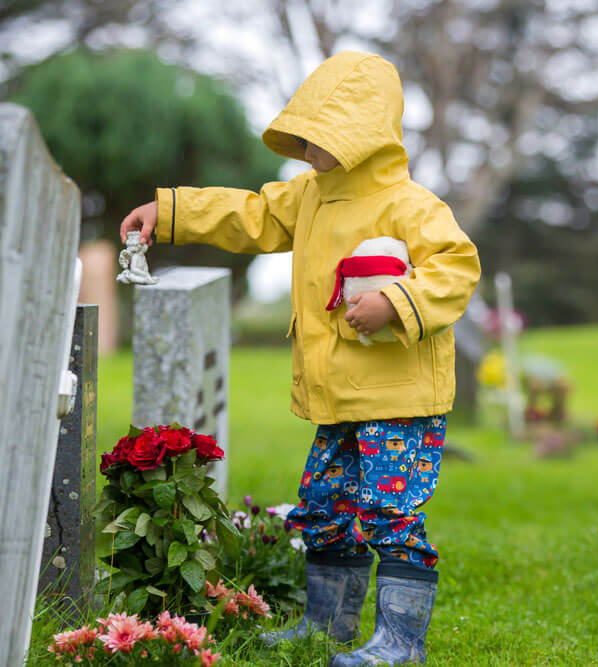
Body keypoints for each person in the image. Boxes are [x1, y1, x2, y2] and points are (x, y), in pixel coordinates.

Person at [120, 50, 481, 667]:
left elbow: (456, 268)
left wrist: (396, 301)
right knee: (323, 506)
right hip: (339, 396)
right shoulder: (309, 197)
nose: (307, 150)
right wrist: (171, 211)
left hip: (400, 399)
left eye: (320, 138)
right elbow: (250, 214)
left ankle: (400, 643)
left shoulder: (411, 205)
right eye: (303, 136)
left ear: (363, 138)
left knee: (391, 511)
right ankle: (328, 627)